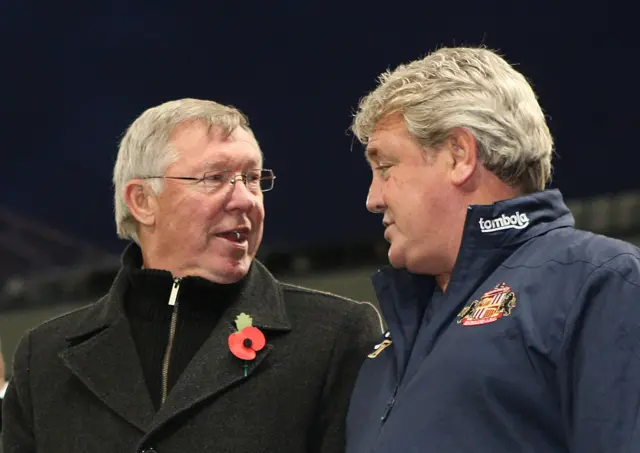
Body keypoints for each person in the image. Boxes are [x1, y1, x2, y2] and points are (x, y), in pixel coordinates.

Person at [2, 98, 382, 453]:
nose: (246, 199)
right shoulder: (46, 357)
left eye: (252, 178)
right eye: (215, 178)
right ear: (142, 201)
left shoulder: (336, 336)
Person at [345, 46, 640, 453]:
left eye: (385, 167)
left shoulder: (600, 281)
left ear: (459, 156)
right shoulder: (393, 337)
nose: (372, 198)